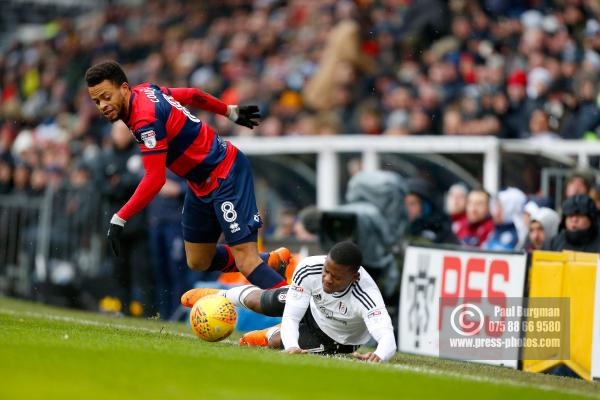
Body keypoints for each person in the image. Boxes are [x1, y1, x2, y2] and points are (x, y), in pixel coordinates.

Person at [85, 61, 290, 290]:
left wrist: (120, 218)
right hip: (200, 182)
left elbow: (155, 179)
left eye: (106, 96)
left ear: (123, 88)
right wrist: (229, 111)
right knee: (198, 259)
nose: (102, 105)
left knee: (246, 261)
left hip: (225, 173)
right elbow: (192, 95)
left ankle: (301, 311)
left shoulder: (145, 120)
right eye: (96, 101)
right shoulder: (144, 90)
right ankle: (270, 262)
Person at [181, 241, 397, 362]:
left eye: (337, 277)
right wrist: (293, 345)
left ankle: (270, 334)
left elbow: (387, 337)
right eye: (326, 271)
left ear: (354, 277)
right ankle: (219, 296)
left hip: (336, 338)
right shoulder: (310, 268)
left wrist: (378, 355)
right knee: (265, 302)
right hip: (312, 306)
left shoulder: (367, 296)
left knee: (275, 343)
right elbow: (292, 316)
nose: (327, 279)